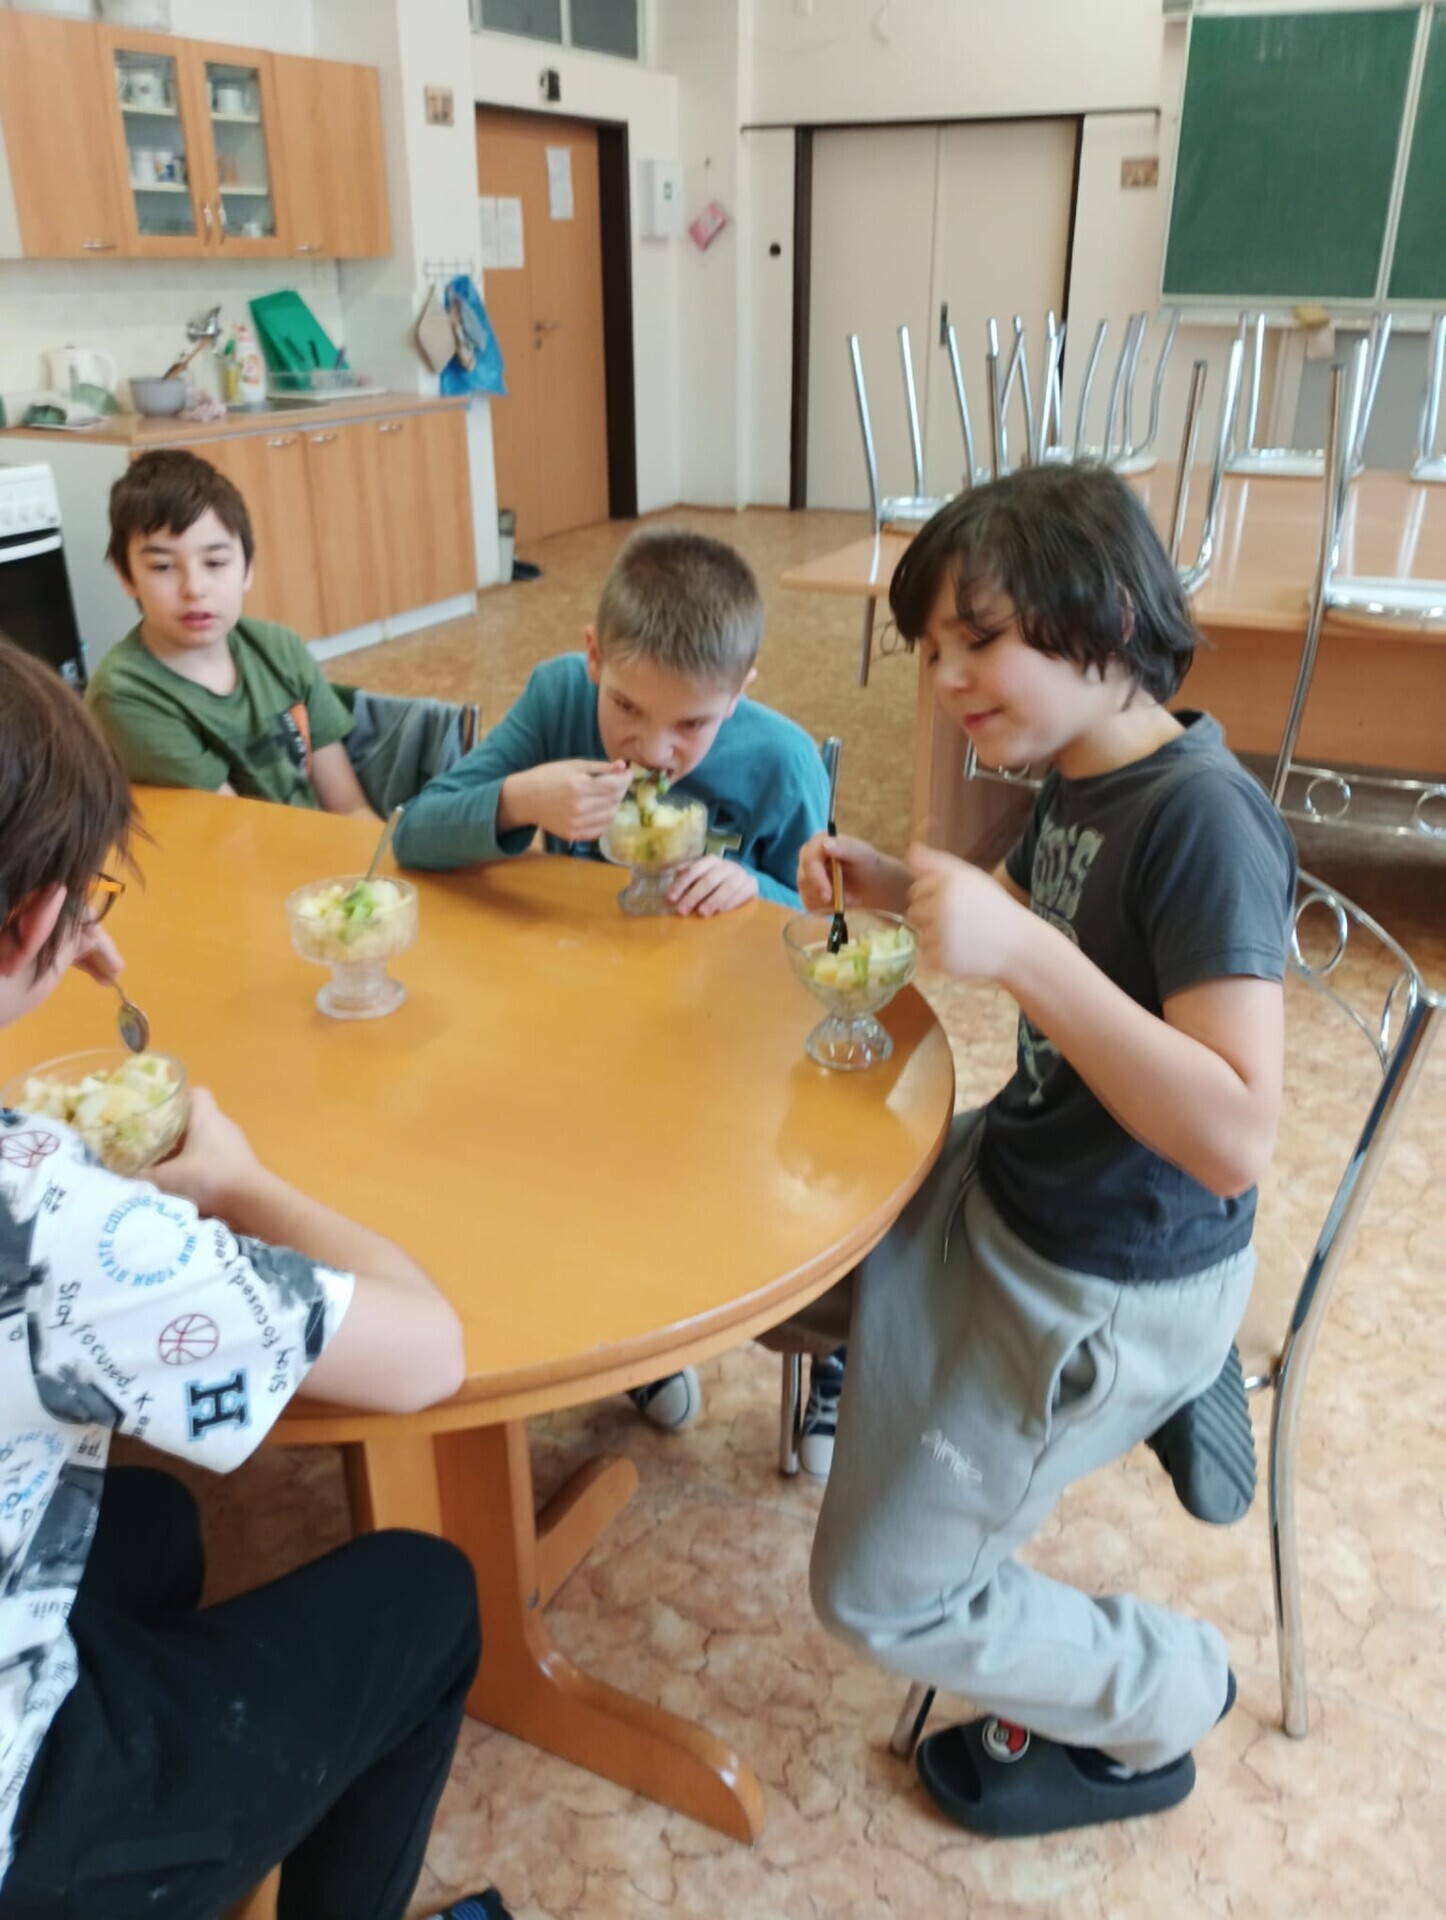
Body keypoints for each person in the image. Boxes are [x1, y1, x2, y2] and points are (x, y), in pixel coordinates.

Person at [791, 464, 1297, 1837]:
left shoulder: (1201, 821)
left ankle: (1169, 1692)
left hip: (1108, 1265)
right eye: (931, 650)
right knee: (783, 1259)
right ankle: (1147, 1385)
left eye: (980, 638)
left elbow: (1235, 1136)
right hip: (1022, 1180)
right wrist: (893, 881)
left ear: (1110, 614)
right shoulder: (1081, 767)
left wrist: (1019, 954)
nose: (949, 678)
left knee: (875, 1596)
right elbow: (1034, 912)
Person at [0, 638, 505, 1919]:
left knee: (156, 1527)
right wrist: (240, 1182)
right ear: (39, 921)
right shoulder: (54, 1226)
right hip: (18, 1824)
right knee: (426, 1596)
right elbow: (426, 1350)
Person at [397, 527, 830, 1436]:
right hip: (570, 1029)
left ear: (741, 692)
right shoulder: (558, 697)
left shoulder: (782, 763)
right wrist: (521, 799)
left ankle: (822, 1364)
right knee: (535, 1165)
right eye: (627, 706)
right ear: (593, 656)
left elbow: (826, 932)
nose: (654, 747)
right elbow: (416, 833)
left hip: (708, 1052)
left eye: (692, 725)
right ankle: (632, 1341)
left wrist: (760, 889)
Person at [86, 449, 378, 820]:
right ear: (126, 576)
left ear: (247, 569)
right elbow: (240, 836)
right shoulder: (125, 694)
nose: (194, 588)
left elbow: (349, 806)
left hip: (316, 847)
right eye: (163, 566)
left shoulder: (280, 648)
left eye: (215, 562)